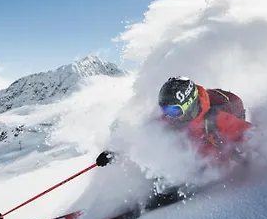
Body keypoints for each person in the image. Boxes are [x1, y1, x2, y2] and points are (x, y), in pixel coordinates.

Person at [95, 76, 256, 208]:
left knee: (173, 182)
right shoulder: (173, 118)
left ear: (188, 105)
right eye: (165, 109)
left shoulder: (218, 120)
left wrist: (259, 161)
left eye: (173, 110)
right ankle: (144, 195)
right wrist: (116, 154)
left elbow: (254, 136)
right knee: (154, 164)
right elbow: (144, 140)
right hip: (190, 155)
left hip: (212, 165)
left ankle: (158, 199)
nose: (168, 115)